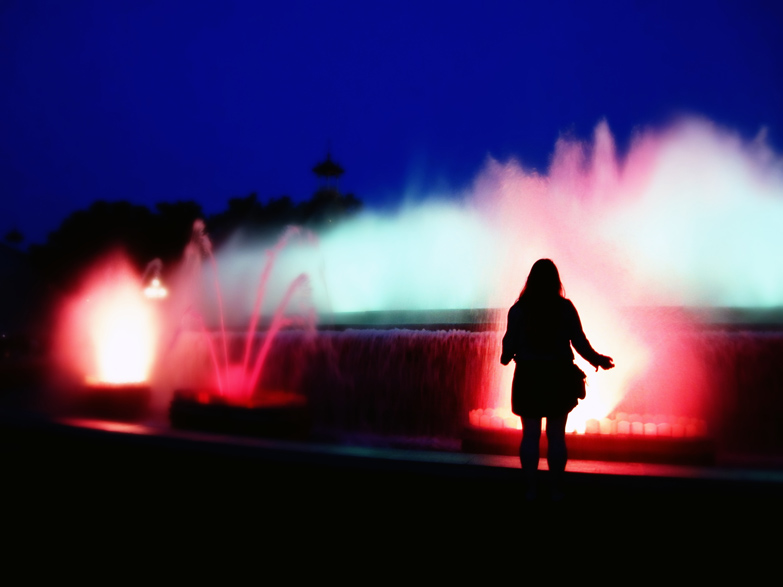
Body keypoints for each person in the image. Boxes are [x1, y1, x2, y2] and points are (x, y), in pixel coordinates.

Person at [500, 259, 614, 500]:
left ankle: (531, 489)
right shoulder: (564, 308)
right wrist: (598, 360)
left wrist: (506, 355)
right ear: (556, 281)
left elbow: (508, 345)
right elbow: (579, 341)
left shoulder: (518, 310)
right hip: (557, 375)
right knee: (556, 435)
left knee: (529, 434)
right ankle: (556, 489)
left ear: (530, 280)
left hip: (528, 376)